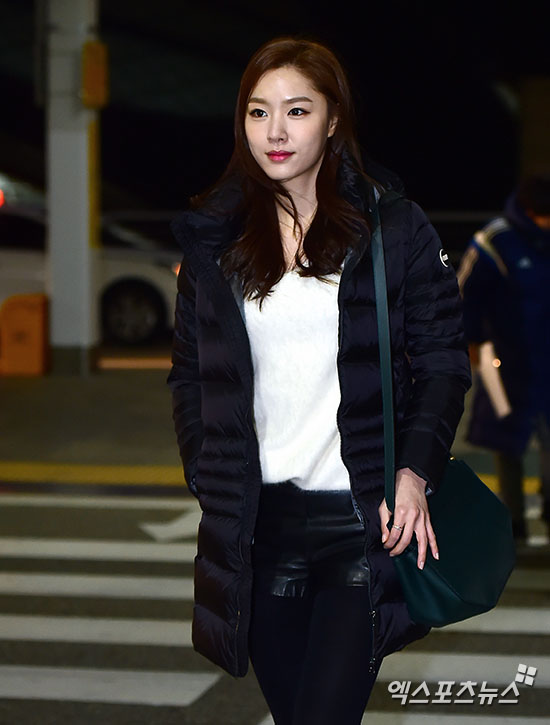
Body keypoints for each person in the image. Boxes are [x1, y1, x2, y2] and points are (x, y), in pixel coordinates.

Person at [167, 36, 471, 725]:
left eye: (297, 110)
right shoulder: (215, 238)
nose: (275, 131)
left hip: (363, 525)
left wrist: (414, 473)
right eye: (258, 111)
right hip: (260, 529)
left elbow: (442, 361)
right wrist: (207, 471)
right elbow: (190, 375)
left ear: (333, 120)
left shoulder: (394, 228)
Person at [458, 174, 550, 542]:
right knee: (505, 440)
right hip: (507, 360)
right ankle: (513, 523)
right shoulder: (495, 241)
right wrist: (472, 342)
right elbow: (466, 296)